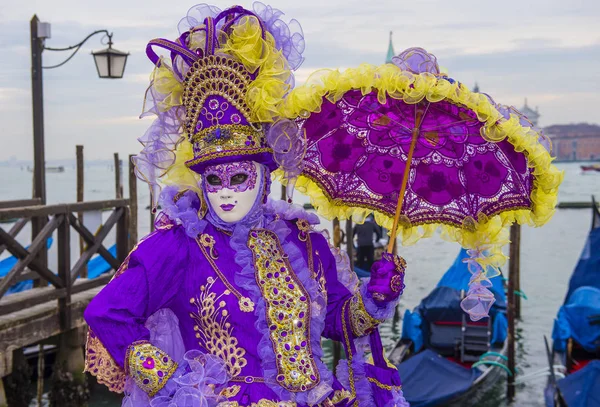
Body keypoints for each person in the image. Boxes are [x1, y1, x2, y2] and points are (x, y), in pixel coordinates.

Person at [83, 4, 409, 406]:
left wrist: (376, 298)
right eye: (212, 179)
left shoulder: (302, 242)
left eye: (238, 177)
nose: (224, 191)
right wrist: (178, 386)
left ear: (264, 176)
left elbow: (341, 322)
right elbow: (108, 314)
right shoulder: (180, 246)